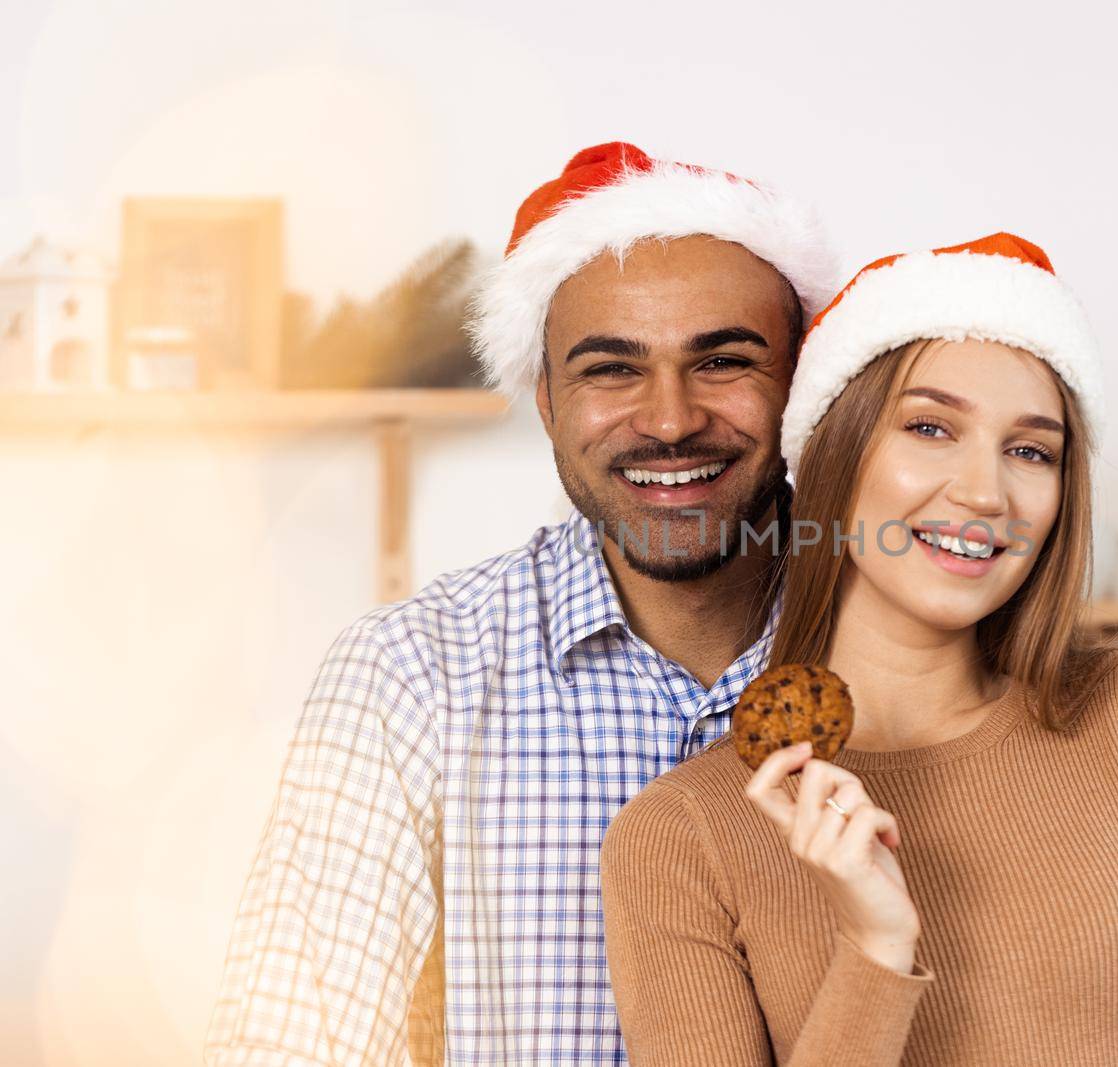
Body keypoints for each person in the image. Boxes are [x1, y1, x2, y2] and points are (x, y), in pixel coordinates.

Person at [600, 234, 1118, 1065]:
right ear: (833, 455)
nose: (986, 492)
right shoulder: (678, 837)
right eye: (930, 427)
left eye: (1030, 450)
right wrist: (875, 950)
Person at [205, 141, 836, 1065]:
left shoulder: (915, 653)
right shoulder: (408, 675)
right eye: (611, 369)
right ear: (546, 399)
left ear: (803, 387)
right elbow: (288, 1040)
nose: (669, 420)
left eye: (724, 361)